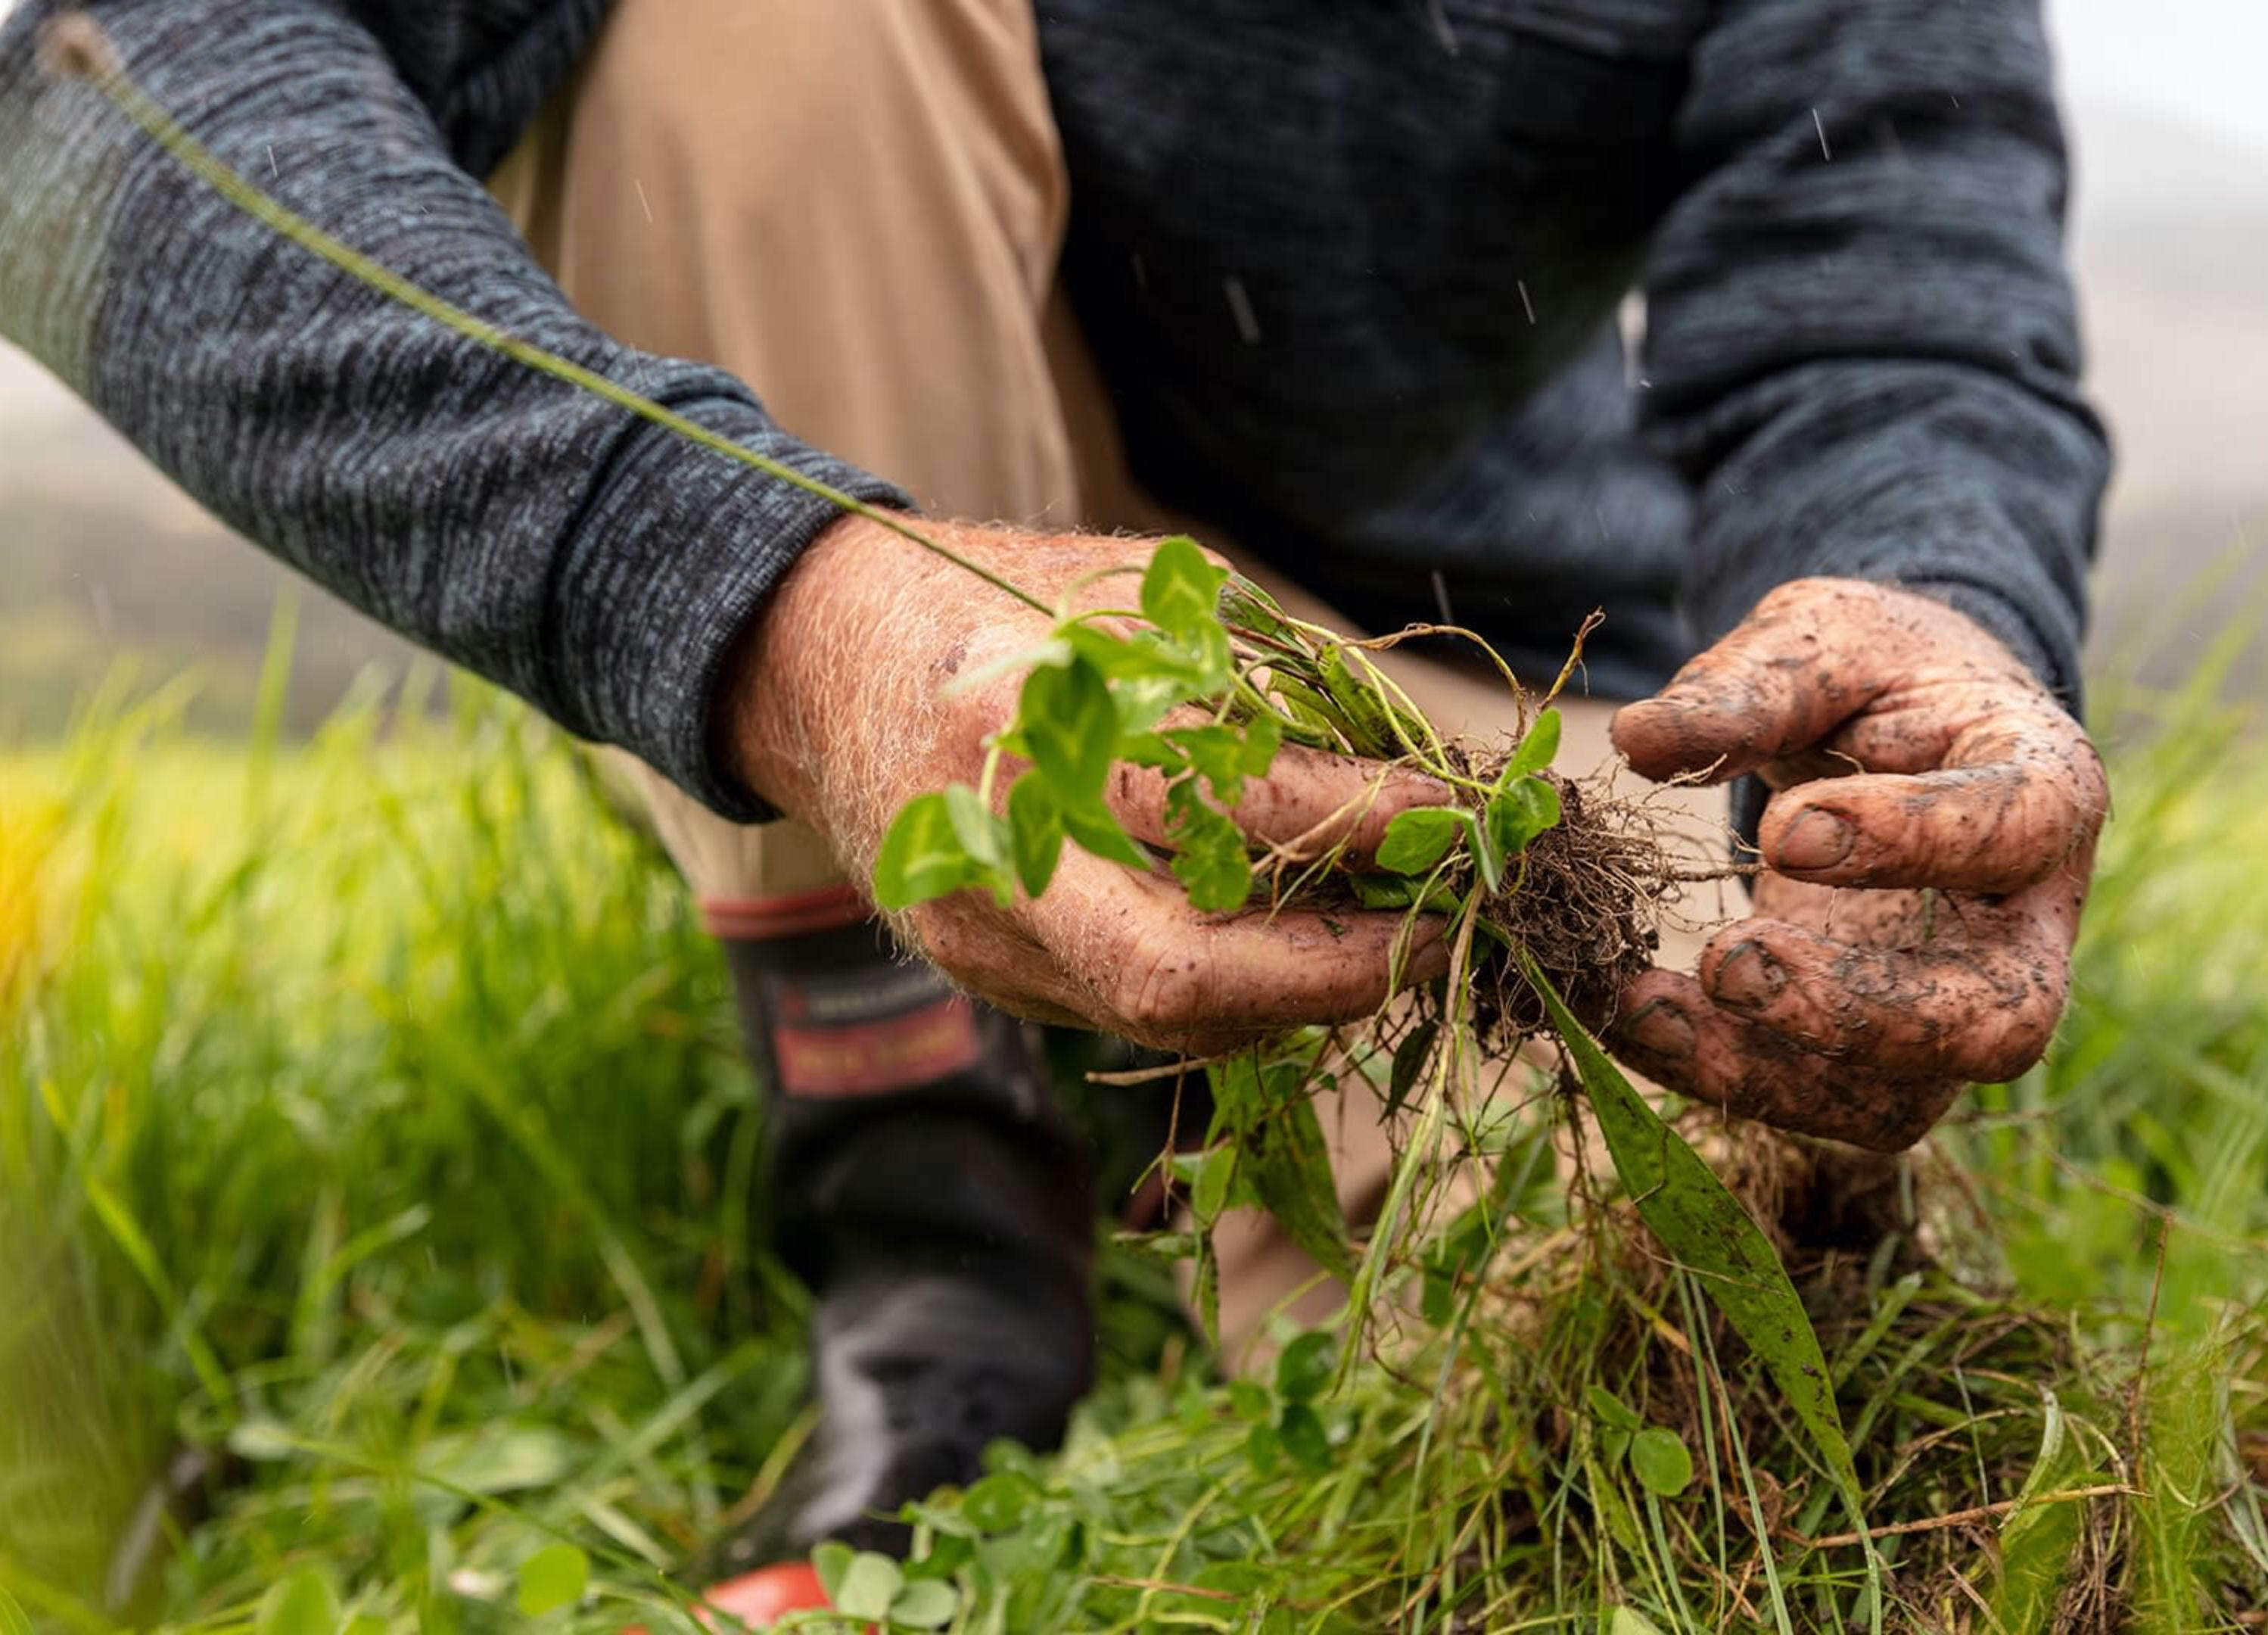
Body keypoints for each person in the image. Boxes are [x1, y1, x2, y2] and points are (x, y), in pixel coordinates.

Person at [0, 0, 2109, 1589]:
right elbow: (106, 93)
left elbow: (1894, 292)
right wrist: (787, 611)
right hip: (885, 535)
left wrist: (1931, 646)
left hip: (1493, 728)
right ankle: (934, 1188)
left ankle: (1294, 1148)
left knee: (1678, 1370)